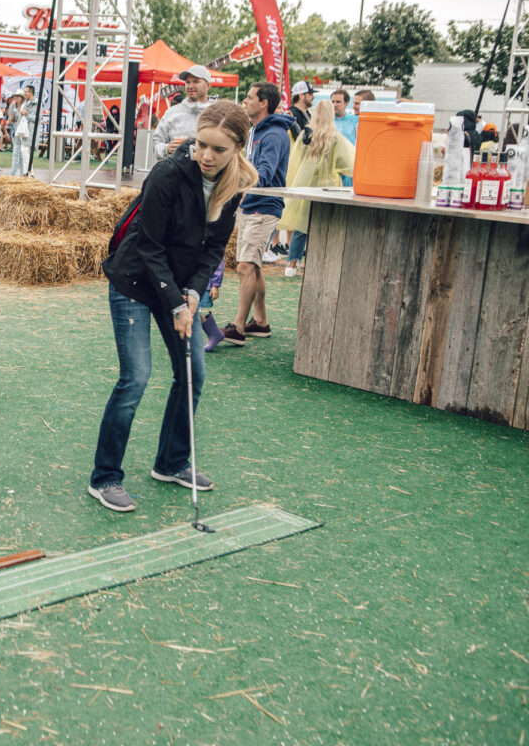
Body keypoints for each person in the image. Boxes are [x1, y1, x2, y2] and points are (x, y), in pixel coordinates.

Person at [90, 101, 258, 511]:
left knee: (192, 375)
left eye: (218, 150)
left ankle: (171, 462)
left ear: (237, 148)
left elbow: (214, 247)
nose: (205, 156)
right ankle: (105, 477)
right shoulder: (167, 174)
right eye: (202, 145)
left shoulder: (234, 184)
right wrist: (176, 303)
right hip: (134, 282)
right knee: (136, 378)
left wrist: (195, 295)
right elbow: (149, 246)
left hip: (178, 288)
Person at [220, 81, 291, 347]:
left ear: (264, 103)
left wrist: (236, 185)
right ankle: (260, 323)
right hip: (253, 205)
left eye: (250, 98)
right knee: (254, 266)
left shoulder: (271, 134)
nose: (245, 101)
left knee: (246, 266)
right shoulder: (259, 131)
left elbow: (264, 173)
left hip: (263, 205)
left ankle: (238, 326)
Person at [279, 100, 354, 278]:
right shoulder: (335, 137)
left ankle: (291, 264)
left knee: (301, 225)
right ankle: (319, 263)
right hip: (329, 186)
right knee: (325, 226)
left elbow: (295, 159)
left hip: (306, 184)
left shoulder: (306, 134)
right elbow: (347, 162)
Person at [152, 65, 213, 160]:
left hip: (208, 173)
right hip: (177, 172)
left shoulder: (217, 113)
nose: (190, 86)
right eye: (188, 82)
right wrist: (167, 149)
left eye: (196, 81)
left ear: (208, 85)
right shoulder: (172, 112)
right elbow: (157, 144)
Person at [7, 88, 26, 175]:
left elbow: (19, 117)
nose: (16, 98)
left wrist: (13, 108)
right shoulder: (14, 106)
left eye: (18, 96)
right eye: (16, 96)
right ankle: (22, 173)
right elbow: (10, 116)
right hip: (14, 129)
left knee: (17, 153)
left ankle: (12, 174)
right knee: (19, 153)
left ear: (22, 98)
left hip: (20, 131)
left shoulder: (23, 106)